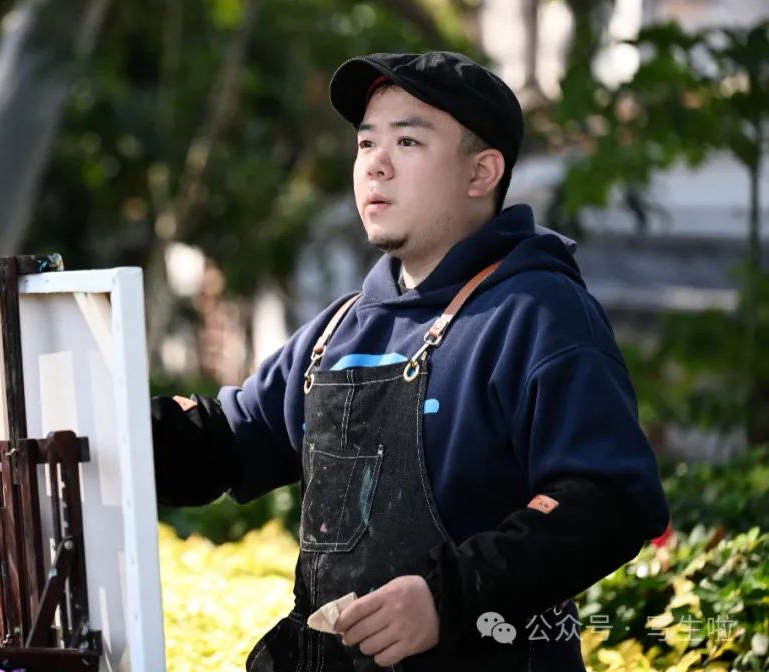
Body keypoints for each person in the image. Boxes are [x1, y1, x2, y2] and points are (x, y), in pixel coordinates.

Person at [150, 51, 670, 671]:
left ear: (481, 173)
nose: (376, 163)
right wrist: (114, 432)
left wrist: (450, 597)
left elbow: (608, 501)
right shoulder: (341, 327)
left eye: (408, 141)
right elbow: (237, 438)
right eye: (366, 142)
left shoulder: (539, 313)